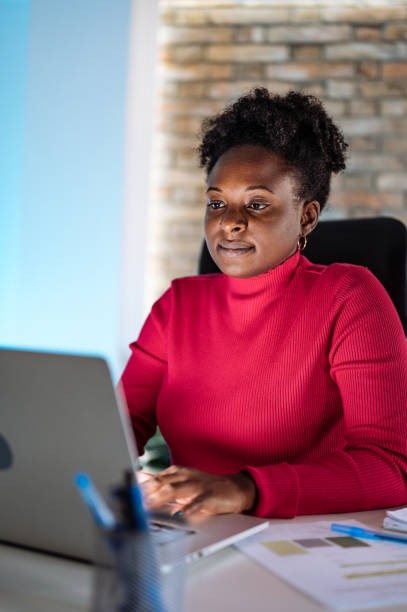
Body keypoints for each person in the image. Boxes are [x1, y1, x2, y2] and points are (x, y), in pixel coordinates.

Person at [120, 88, 407, 519]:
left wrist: (246, 490)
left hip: (306, 540)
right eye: (217, 203)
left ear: (306, 217)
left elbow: (391, 468)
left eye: (257, 204)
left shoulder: (350, 297)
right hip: (194, 533)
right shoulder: (177, 305)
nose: (230, 222)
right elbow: (118, 430)